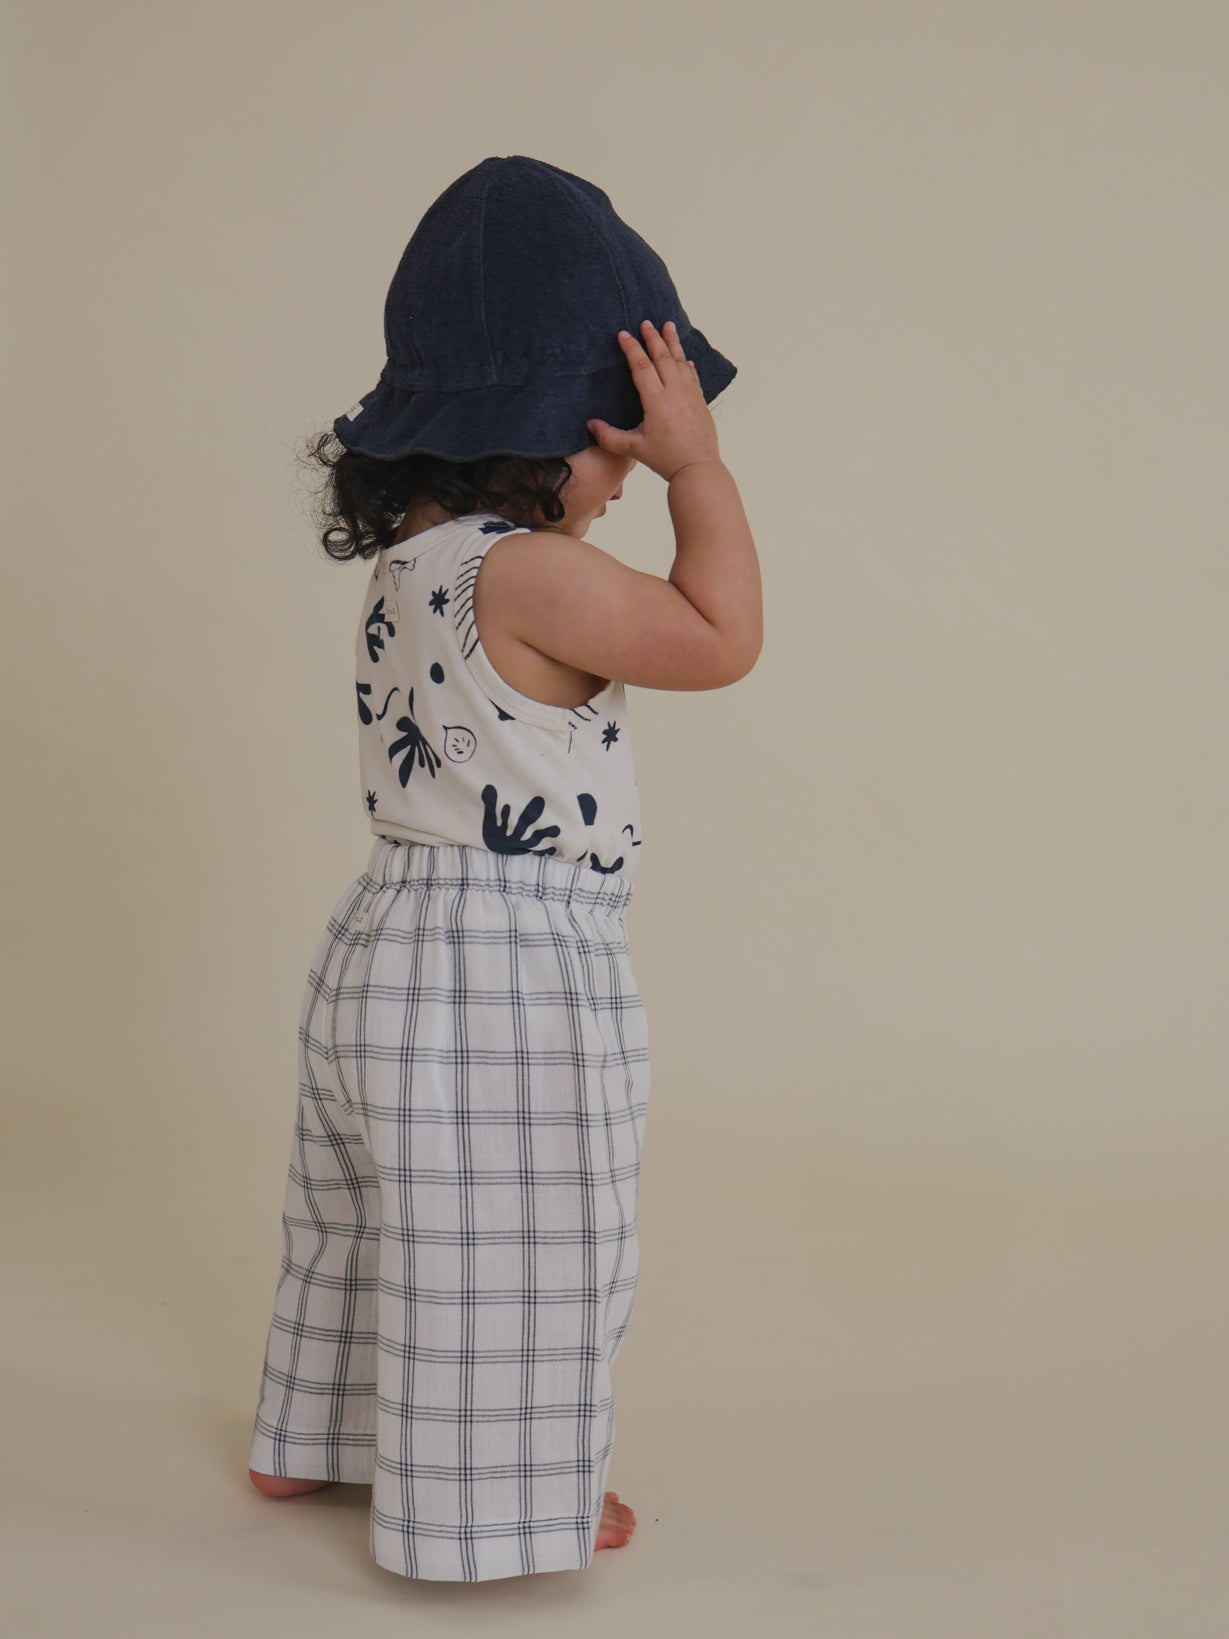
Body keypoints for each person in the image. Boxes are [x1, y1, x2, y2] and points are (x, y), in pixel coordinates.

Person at [245, 156, 761, 1583]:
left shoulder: (409, 562)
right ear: (552, 427)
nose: (624, 471)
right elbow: (718, 639)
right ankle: (499, 1495)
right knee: (518, 1241)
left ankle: (313, 1434)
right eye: (617, 440)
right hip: (505, 970)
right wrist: (698, 472)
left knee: (366, 1211)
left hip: (380, 940)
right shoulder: (530, 572)